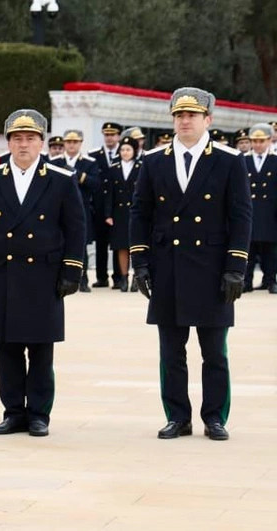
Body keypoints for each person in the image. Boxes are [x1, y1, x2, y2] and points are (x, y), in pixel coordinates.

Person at [130, 87, 250, 442]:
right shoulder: (154, 160)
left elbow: (241, 216)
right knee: (171, 352)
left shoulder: (229, 160)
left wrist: (236, 267)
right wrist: (140, 262)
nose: (184, 121)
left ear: (207, 119)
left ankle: (215, 417)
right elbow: (140, 213)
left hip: (212, 269)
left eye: (192, 115)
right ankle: (177, 417)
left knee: (214, 353)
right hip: (168, 267)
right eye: (179, 115)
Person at [0, 109, 84, 438]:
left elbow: (75, 228)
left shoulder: (60, 179)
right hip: (3, 273)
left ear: (41, 143)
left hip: (44, 275)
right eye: (17, 138)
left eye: (30, 138)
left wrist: (72, 269)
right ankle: (13, 411)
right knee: (6, 348)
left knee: (41, 350)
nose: (23, 144)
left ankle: (39, 414)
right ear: (9, 143)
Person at [51, 130, 100, 292]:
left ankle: (82, 279)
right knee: (58, 242)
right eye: (68, 142)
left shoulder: (89, 162)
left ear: (80, 143)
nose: (71, 145)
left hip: (81, 208)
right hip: (58, 208)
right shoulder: (55, 161)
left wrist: (77, 174)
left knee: (81, 244)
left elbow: (95, 184)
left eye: (75, 142)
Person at [104, 137, 141, 292]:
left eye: (128, 149)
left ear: (134, 151)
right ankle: (123, 278)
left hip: (136, 212)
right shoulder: (114, 168)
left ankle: (137, 278)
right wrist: (108, 214)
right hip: (119, 213)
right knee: (121, 247)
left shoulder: (141, 167)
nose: (125, 152)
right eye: (123, 150)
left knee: (136, 247)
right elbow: (109, 193)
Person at [244, 124, 277, 294]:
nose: (258, 144)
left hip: (270, 212)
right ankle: (246, 281)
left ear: (270, 140)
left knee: (270, 251)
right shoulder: (243, 160)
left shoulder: (275, 160)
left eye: (262, 141)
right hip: (249, 211)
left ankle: (270, 280)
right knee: (248, 249)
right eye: (254, 141)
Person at [92, 122, 121, 288]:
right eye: (106, 135)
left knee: (118, 242)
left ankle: (118, 277)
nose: (109, 138)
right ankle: (101, 277)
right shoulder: (94, 155)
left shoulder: (125, 153)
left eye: (112, 135)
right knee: (101, 243)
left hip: (118, 206)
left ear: (118, 136)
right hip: (100, 206)